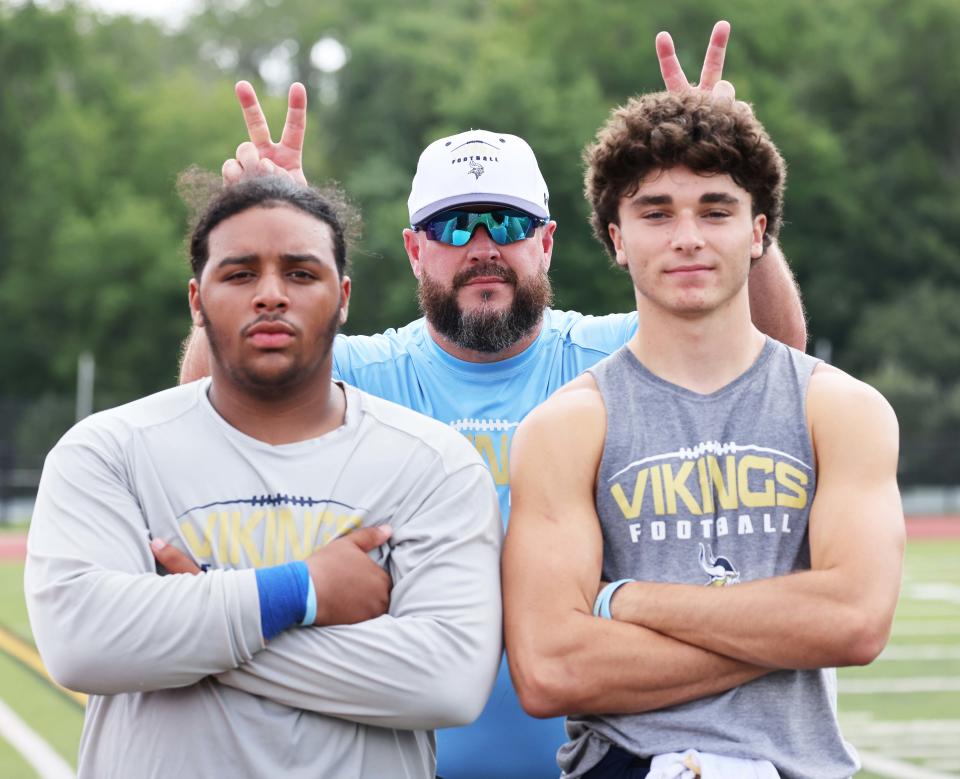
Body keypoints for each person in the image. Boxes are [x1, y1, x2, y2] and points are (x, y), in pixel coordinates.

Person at [178, 24, 809, 779]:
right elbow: (207, 407)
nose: (482, 244)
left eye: (506, 223)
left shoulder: (619, 356)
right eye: (453, 225)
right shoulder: (361, 372)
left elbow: (775, 355)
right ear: (415, 250)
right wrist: (261, 228)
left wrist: (719, 171)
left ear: (545, 242)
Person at [24, 176, 503, 779]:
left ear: (344, 295)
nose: (271, 295)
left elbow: (447, 682)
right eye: (240, 273)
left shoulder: (432, 463)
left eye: (301, 273)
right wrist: (302, 590)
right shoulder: (108, 452)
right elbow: (83, 642)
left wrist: (189, 619)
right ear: (197, 300)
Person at [502, 89, 904, 778]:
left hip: (795, 765)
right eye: (655, 213)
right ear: (617, 239)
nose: (687, 235)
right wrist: (789, 630)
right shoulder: (566, 427)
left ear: (757, 231)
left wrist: (624, 601)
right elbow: (550, 668)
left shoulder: (841, 408)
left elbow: (856, 621)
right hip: (621, 764)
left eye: (716, 209)